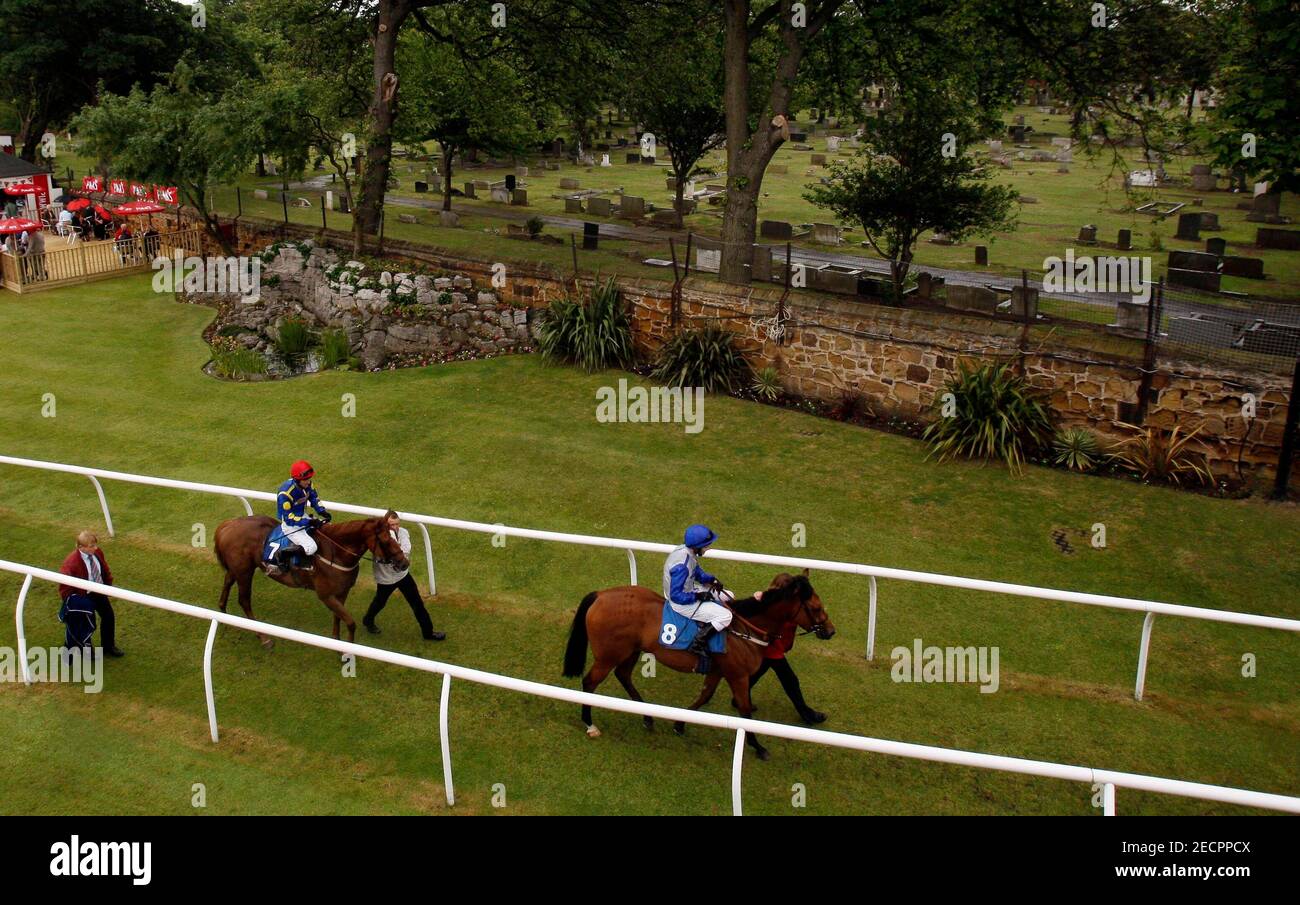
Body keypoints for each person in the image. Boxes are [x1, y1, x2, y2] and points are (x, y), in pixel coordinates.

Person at [362, 510, 445, 641]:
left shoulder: (404, 532)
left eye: (396, 524)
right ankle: (368, 620)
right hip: (386, 579)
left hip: (403, 576)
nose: (395, 527)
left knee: (417, 603)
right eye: (391, 525)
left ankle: (428, 633)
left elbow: (405, 551)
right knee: (380, 602)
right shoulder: (378, 538)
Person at [663, 524, 732, 672]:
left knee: (729, 596)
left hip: (689, 590)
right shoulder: (682, 565)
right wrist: (698, 596)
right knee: (726, 616)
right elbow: (676, 596)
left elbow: (696, 571)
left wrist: (712, 580)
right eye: (706, 546)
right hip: (681, 603)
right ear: (697, 547)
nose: (708, 548)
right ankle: (698, 643)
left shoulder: (686, 551)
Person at [743, 615, 827, 724]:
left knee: (756, 674)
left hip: (774, 647)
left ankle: (739, 698)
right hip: (772, 648)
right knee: (791, 681)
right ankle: (807, 715)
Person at [57, 531, 124, 657]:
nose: (96, 548)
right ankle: (86, 650)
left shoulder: (97, 552)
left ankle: (108, 646)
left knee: (108, 616)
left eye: (95, 545)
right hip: (83, 596)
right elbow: (64, 588)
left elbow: (104, 568)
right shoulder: (71, 563)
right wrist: (75, 601)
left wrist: (107, 585)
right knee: (87, 622)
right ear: (80, 547)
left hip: (98, 591)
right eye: (91, 546)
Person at [273, 460, 331, 570]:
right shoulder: (285, 494)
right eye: (306, 480)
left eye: (309, 479)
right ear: (297, 479)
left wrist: (322, 511)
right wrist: (309, 521)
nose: (309, 482)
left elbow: (314, 497)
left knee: (326, 529)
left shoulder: (307, 484)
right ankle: (283, 554)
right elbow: (289, 518)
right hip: (290, 525)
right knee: (311, 547)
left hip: (302, 517)